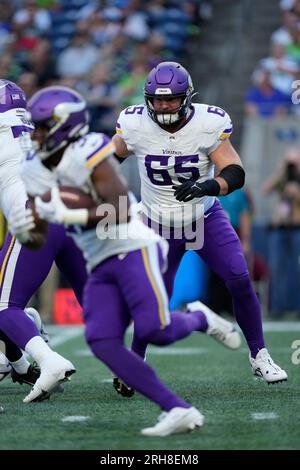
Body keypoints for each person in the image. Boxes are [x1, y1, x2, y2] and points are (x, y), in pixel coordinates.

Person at [32, 85, 240, 436]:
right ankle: (178, 408)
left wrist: (68, 214)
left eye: (42, 126)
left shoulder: (92, 151)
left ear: (65, 127)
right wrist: (27, 227)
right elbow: (35, 235)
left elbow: (120, 206)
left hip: (133, 248)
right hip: (99, 257)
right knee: (100, 340)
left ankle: (200, 320)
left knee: (153, 330)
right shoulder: (30, 169)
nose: (35, 136)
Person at [112, 61, 288, 384]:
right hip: (156, 224)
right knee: (152, 299)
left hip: (203, 217)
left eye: (172, 99)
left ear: (187, 97)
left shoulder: (208, 123)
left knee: (239, 277)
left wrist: (208, 185)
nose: (164, 106)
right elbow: (110, 159)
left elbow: (235, 171)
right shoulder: (134, 124)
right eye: (158, 99)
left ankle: (259, 355)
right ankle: (134, 363)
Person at [0, 79, 76, 404]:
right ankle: (129, 364)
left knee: (3, 304)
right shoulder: (29, 126)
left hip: (33, 215)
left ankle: (45, 361)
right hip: (69, 211)